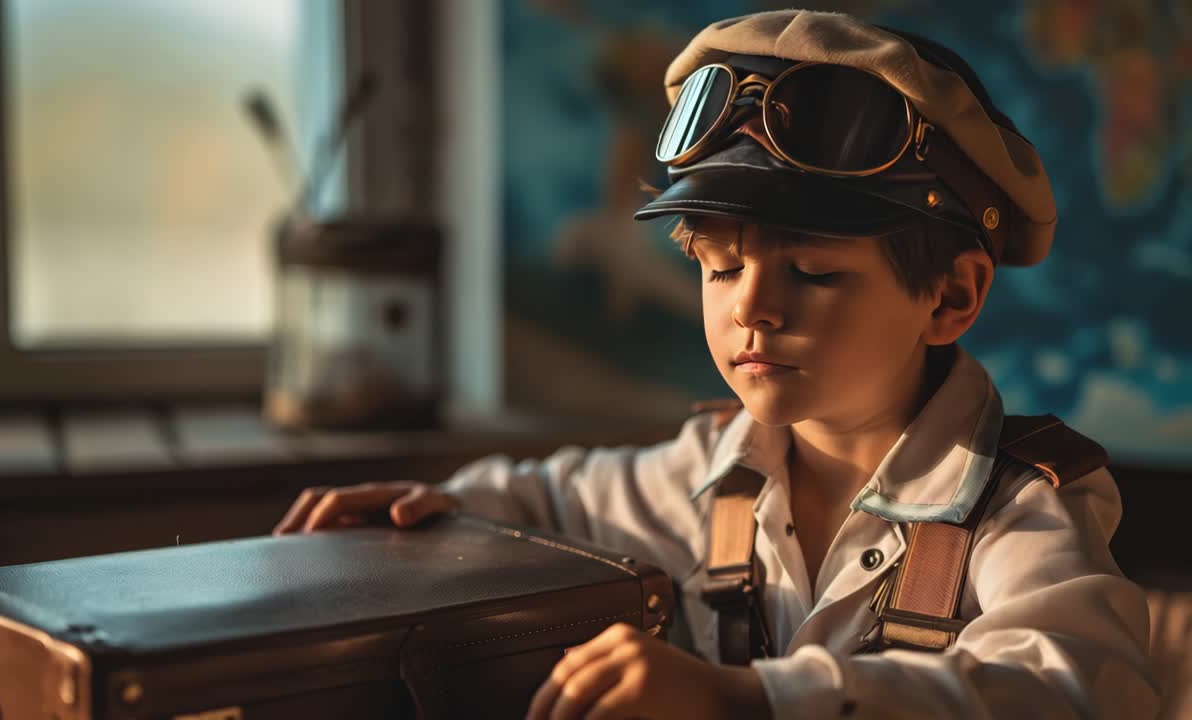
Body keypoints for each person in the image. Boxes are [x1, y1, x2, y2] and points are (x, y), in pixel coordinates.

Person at [274, 10, 1158, 720]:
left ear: (953, 297)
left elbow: (1073, 687)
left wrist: (750, 698)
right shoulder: (716, 475)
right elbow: (555, 499)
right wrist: (447, 508)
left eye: (813, 271)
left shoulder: (1023, 505)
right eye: (720, 265)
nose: (750, 307)